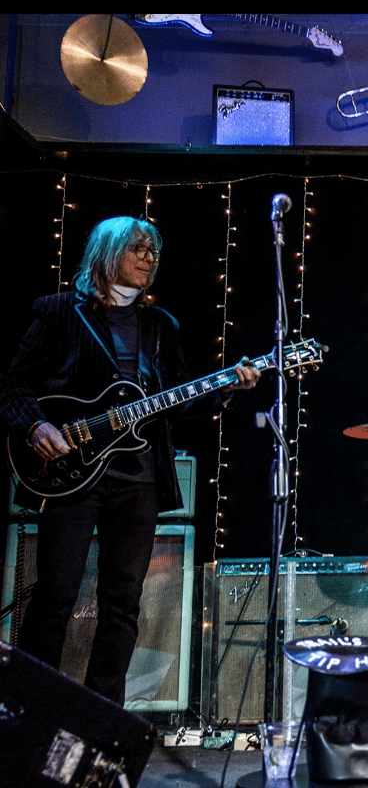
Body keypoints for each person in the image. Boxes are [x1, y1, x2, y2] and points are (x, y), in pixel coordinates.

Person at [0, 216, 260, 705]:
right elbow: (11, 386)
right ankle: (26, 707)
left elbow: (177, 400)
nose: (148, 258)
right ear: (107, 252)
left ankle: (103, 714)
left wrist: (227, 389)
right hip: (71, 474)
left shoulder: (161, 326)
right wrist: (36, 426)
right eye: (138, 248)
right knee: (55, 594)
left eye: (153, 252)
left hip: (137, 478)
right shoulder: (58, 312)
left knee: (123, 605)